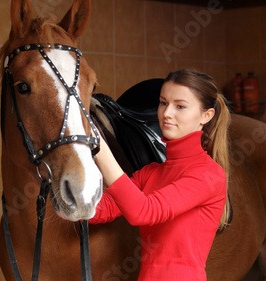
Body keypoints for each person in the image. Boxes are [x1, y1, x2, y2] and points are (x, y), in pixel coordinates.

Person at [90, 68, 231, 280]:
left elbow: (143, 212)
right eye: (163, 103)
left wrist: (99, 148)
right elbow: (102, 209)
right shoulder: (150, 173)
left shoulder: (209, 175)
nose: (166, 113)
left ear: (206, 116)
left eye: (180, 106)